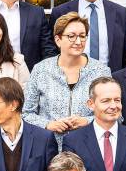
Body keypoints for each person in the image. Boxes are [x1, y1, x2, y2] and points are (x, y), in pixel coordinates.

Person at [22, 12, 112, 147]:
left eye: (82, 36)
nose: (78, 41)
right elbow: (26, 113)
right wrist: (49, 124)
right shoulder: (41, 70)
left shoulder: (101, 72)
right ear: (58, 40)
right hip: (47, 148)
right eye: (71, 36)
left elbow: (116, 114)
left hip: (89, 147)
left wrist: (87, 121)